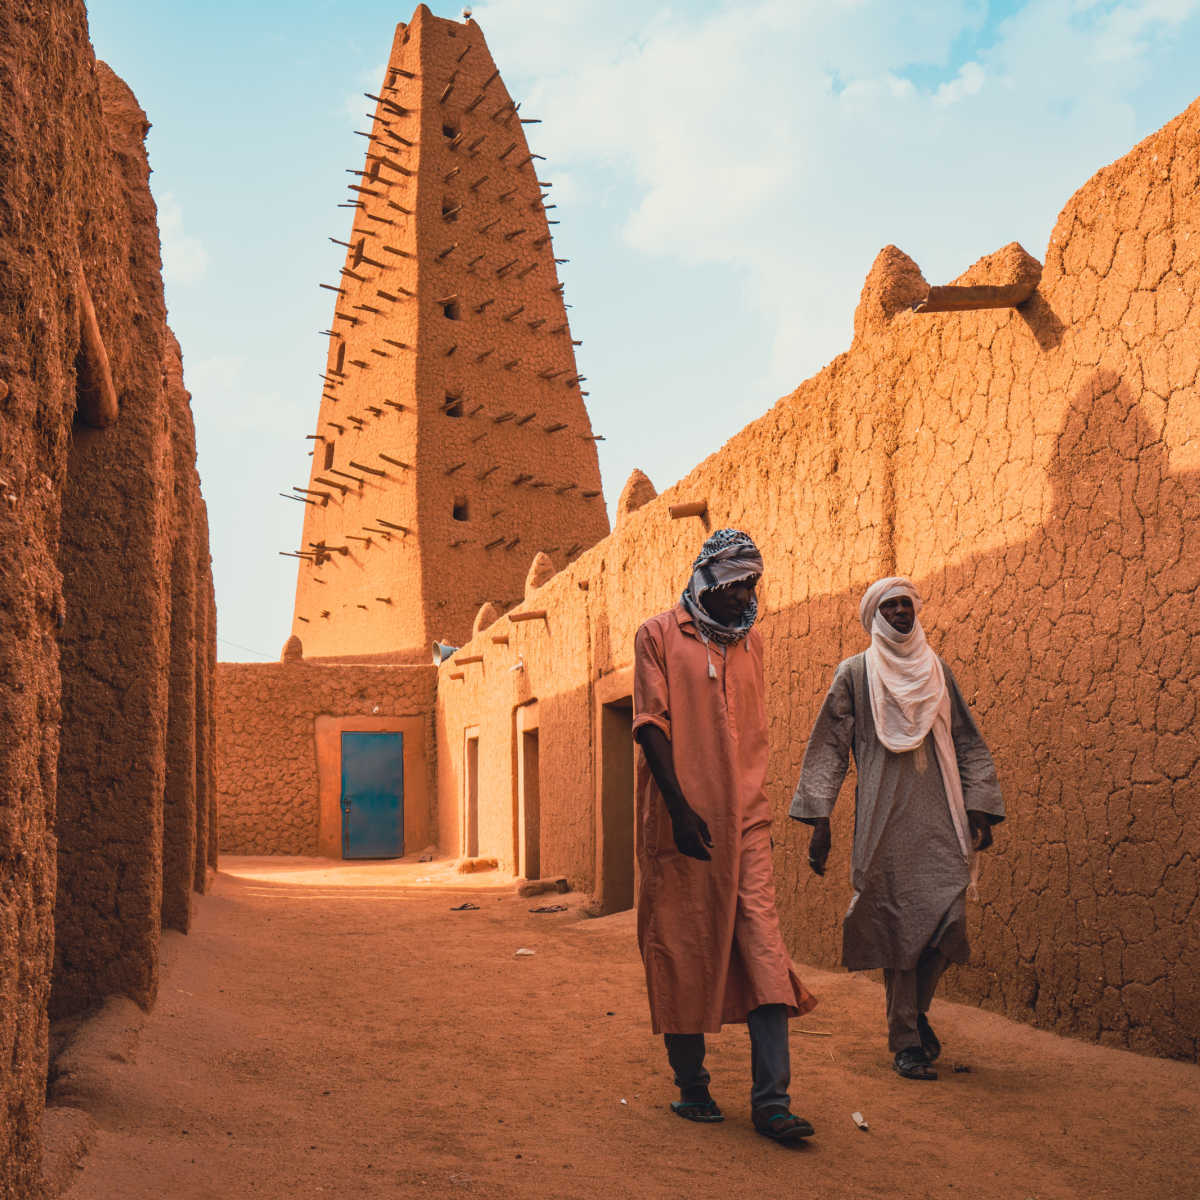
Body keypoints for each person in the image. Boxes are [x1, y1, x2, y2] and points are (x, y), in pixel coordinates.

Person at [633, 529, 817, 1143]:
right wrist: (680, 811)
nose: (745, 597)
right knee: (684, 950)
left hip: (747, 823)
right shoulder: (658, 635)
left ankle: (772, 1102)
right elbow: (650, 726)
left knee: (764, 950)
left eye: (752, 586)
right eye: (736, 585)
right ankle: (692, 1087)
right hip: (681, 828)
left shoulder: (752, 644)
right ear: (710, 580)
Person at [789, 577, 1003, 1080]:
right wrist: (820, 820)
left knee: (948, 921)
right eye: (892, 605)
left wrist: (980, 804)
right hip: (883, 821)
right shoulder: (856, 674)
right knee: (899, 929)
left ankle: (916, 1013)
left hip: (940, 816)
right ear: (875, 615)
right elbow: (828, 748)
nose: (903, 611)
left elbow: (968, 741)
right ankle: (905, 1039)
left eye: (908, 603)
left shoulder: (936, 670)